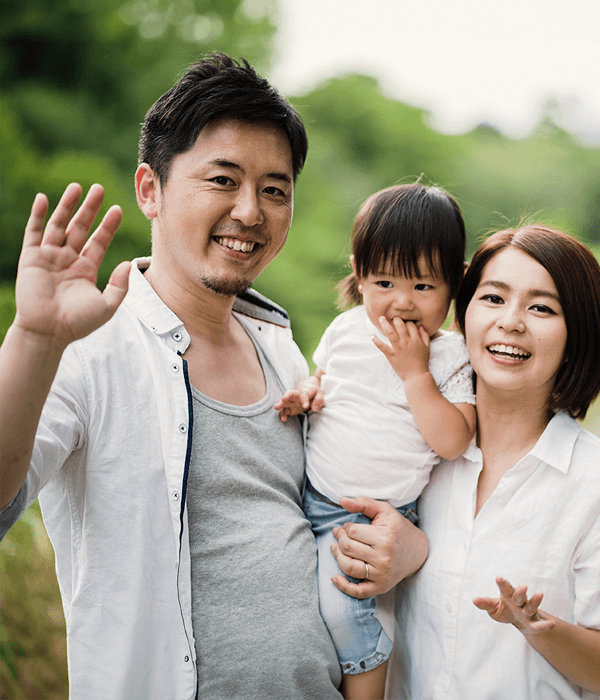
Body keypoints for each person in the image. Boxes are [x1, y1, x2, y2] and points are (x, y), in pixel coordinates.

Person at [0, 53, 428, 700]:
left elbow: (345, 506)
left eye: (274, 189)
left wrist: (405, 549)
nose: (251, 211)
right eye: (222, 180)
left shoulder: (284, 354)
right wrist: (34, 339)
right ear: (151, 189)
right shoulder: (89, 351)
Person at [275, 183, 477, 699]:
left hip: (373, 517)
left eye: (425, 287)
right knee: (302, 613)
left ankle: (367, 692)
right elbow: (326, 380)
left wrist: (415, 376)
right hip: (312, 497)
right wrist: (306, 394)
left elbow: (453, 439)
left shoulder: (449, 356)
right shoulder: (346, 330)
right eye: (384, 281)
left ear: (454, 286)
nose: (402, 302)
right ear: (359, 275)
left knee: (345, 609)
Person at [388, 225, 600, 699]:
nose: (511, 322)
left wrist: (538, 627)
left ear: (578, 333)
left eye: (542, 307)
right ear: (463, 315)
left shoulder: (592, 483)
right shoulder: (412, 448)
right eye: (493, 298)